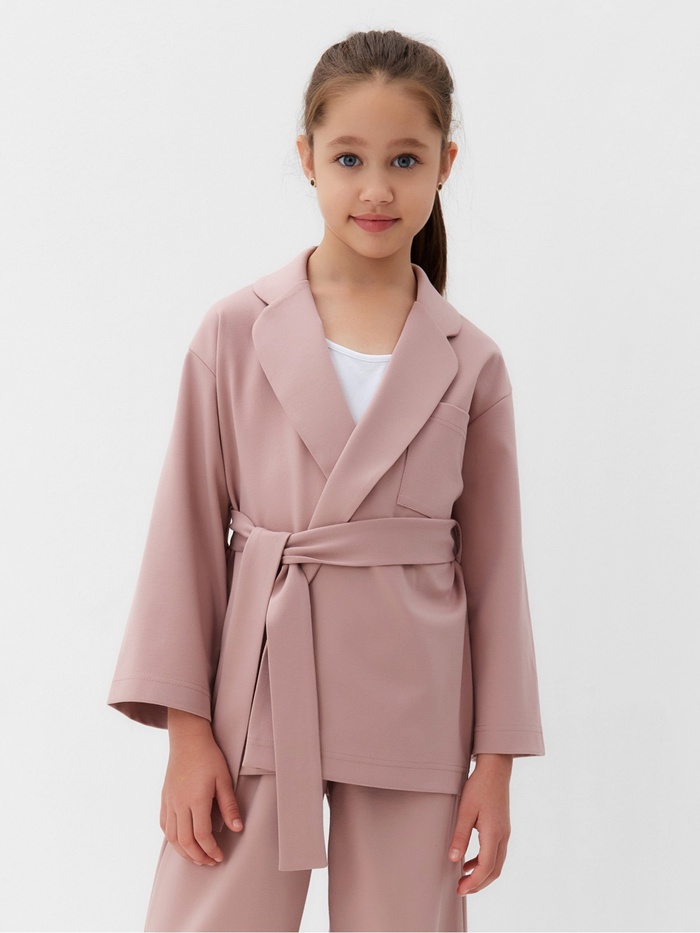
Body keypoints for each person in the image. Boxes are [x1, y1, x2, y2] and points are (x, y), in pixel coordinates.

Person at [108, 28, 545, 933]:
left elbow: (498, 574)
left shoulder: (472, 362)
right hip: (264, 685)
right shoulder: (235, 332)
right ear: (306, 159)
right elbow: (185, 532)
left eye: (405, 160)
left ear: (445, 165)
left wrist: (495, 763)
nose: (376, 188)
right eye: (349, 158)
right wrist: (187, 730)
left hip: (416, 702)